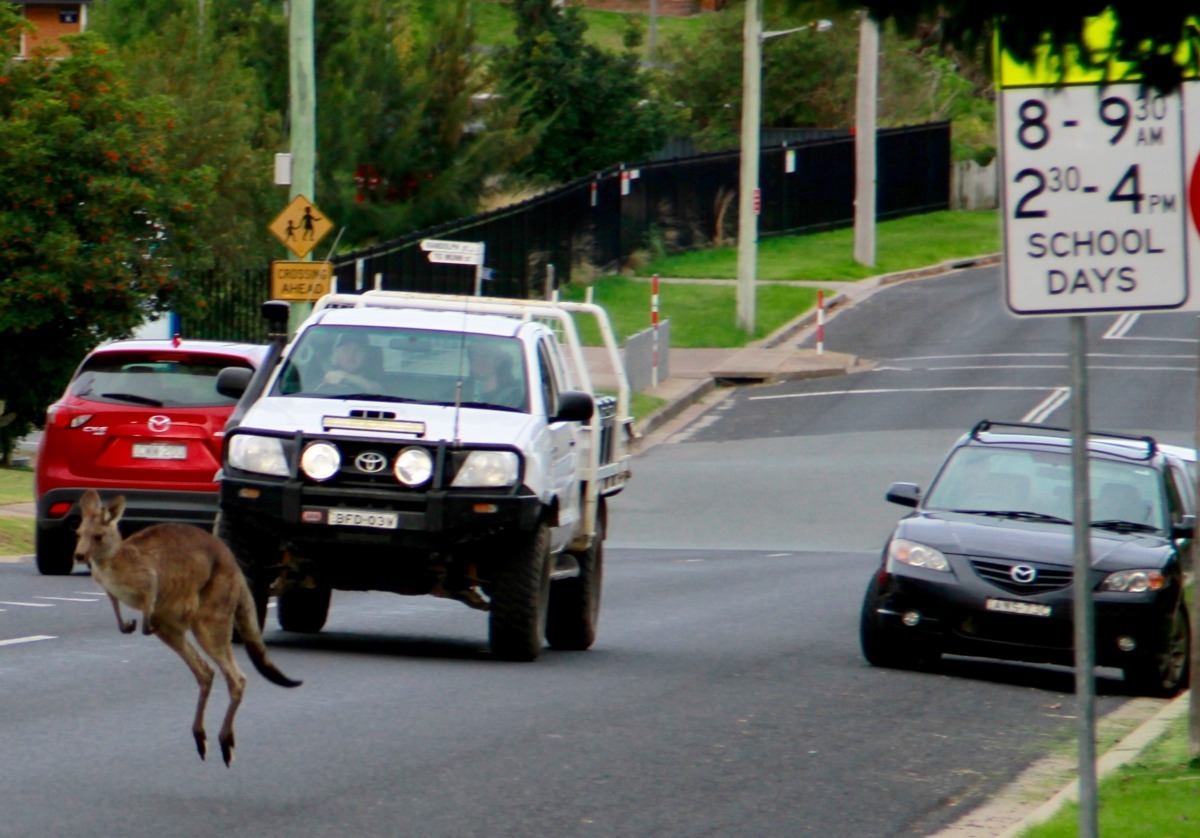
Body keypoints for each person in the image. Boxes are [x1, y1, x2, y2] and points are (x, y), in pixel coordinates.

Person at [467, 341, 525, 409]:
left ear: (498, 361)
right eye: (476, 355)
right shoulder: (459, 389)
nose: (480, 360)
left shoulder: (513, 395)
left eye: (487, 356)